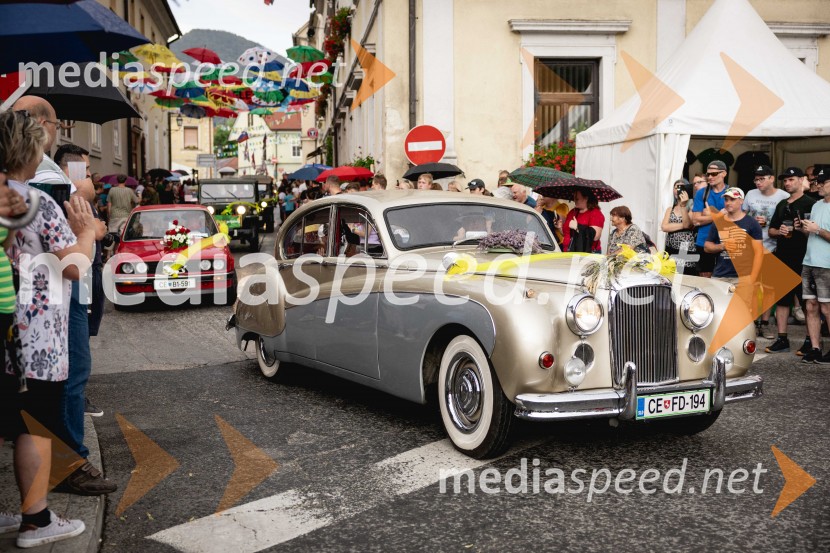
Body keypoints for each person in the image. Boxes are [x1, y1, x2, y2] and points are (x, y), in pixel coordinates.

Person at [0, 110, 89, 548]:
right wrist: (88, 232)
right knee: (36, 427)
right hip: (37, 339)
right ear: (28, 150)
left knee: (11, 422)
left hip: (5, 334)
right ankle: (36, 520)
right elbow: (73, 266)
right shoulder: (39, 203)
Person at [765, 168, 817, 354]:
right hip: (782, 257)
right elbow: (770, 231)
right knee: (782, 300)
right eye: (785, 180)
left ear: (801, 180)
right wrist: (779, 231)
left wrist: (800, 229)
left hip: (803, 258)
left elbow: (816, 232)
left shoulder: (812, 204)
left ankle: (811, 341)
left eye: (791, 179)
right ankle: (782, 339)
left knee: (807, 301)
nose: (787, 183)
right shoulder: (781, 204)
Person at [744, 165, 789, 338]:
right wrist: (752, 221)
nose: (758, 182)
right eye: (756, 179)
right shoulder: (750, 194)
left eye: (762, 178)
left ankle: (766, 323)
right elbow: (741, 216)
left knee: (769, 288)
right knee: (753, 286)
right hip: (752, 246)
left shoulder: (783, 196)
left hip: (773, 246)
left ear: (771, 178)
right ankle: (753, 323)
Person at [796, 167, 830, 363]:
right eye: (817, 182)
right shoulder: (817, 205)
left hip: (827, 264)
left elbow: (820, 232)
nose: (817, 185)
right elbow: (811, 233)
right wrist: (803, 228)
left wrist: (817, 230)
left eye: (822, 183)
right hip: (809, 261)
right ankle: (815, 347)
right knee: (811, 306)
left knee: (827, 308)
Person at [703, 188, 763, 298]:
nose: (728, 202)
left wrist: (752, 278)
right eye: (726, 199)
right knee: (717, 310)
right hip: (720, 275)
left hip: (743, 277)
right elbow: (707, 247)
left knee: (742, 313)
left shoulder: (752, 223)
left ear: (741, 201)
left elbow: (759, 253)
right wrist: (722, 246)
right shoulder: (719, 222)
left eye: (732, 199)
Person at [691, 160, 730, 277]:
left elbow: (736, 218)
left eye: (714, 174)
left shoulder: (731, 193)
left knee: (725, 279)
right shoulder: (702, 193)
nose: (710, 177)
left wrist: (708, 215)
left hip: (726, 242)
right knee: (705, 279)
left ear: (724, 174)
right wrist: (719, 216)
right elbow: (695, 220)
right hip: (704, 241)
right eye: (708, 174)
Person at [662, 179, 697, 275]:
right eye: (676, 187)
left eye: (682, 187)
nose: (678, 189)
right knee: (670, 275)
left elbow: (688, 224)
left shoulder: (692, 207)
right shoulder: (670, 208)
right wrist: (684, 226)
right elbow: (664, 227)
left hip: (684, 248)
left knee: (682, 275)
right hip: (670, 246)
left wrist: (683, 206)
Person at [562, 188, 605, 253]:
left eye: (577, 199)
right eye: (574, 198)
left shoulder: (595, 213)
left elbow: (595, 236)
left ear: (586, 198)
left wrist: (577, 227)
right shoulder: (573, 212)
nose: (574, 201)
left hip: (585, 253)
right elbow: (567, 233)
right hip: (568, 251)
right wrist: (559, 227)